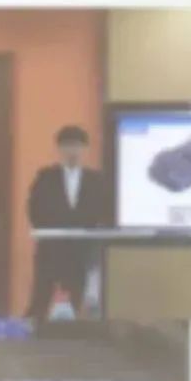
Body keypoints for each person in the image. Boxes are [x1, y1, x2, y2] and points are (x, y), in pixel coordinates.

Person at [25, 124, 110, 319]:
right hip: (51, 249)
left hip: (81, 251)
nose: (73, 151)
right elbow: (34, 208)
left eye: (77, 146)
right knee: (39, 300)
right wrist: (47, 230)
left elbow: (104, 209)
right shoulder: (46, 176)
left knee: (74, 301)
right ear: (60, 149)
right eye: (68, 146)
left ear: (85, 149)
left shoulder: (96, 179)